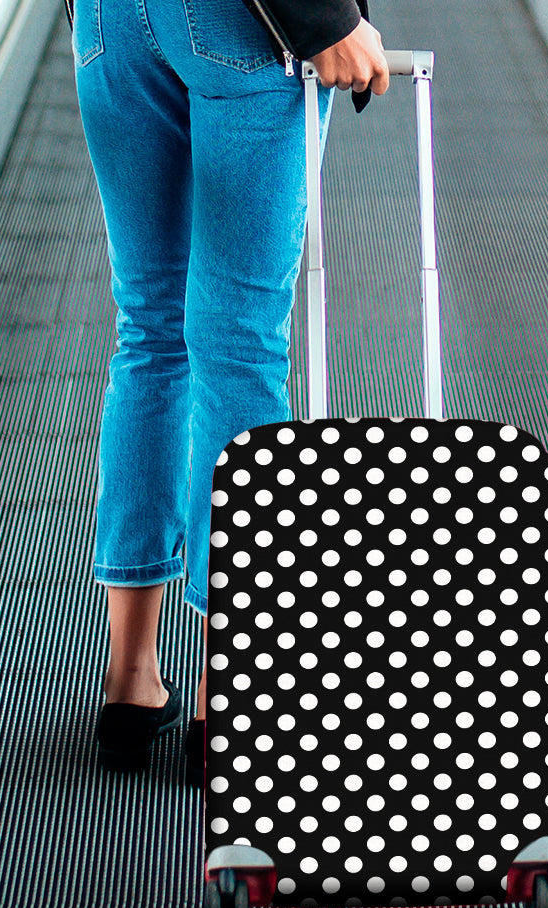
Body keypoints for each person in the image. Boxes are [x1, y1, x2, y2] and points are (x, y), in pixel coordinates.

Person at [72, 0, 389, 779]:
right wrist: (324, 18)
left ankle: (131, 680)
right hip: (243, 28)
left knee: (148, 332)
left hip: (111, 24)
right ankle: (229, 696)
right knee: (238, 348)